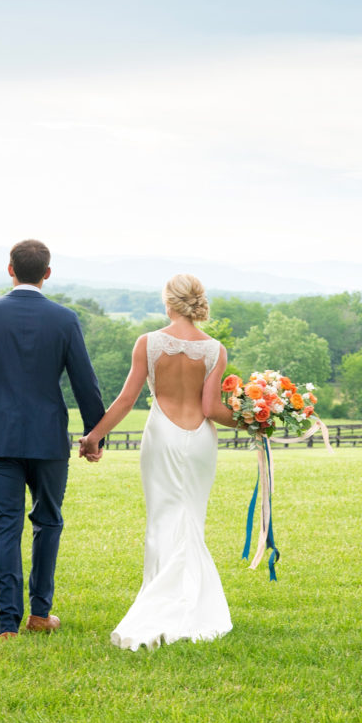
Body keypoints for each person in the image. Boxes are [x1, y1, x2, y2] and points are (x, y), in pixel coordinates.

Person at [0, 239, 105, 640]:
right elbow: (85, 382)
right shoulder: (65, 319)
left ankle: (7, 625)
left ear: (10, 269)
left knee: (5, 527)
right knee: (48, 521)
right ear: (47, 273)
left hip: (1, 437)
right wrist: (95, 435)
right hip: (48, 438)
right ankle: (40, 614)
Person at [79, 274, 236, 651]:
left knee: (162, 517)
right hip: (200, 441)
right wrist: (253, 421)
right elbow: (212, 408)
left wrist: (94, 436)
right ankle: (191, 601)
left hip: (162, 437)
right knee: (191, 517)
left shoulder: (148, 343)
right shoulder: (215, 349)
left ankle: (160, 596)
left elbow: (126, 399)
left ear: (169, 302)